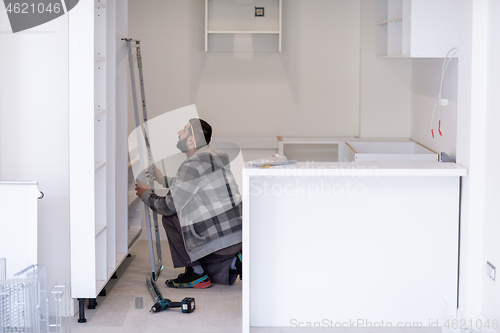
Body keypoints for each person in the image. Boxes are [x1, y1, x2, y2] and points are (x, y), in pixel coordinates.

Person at [135, 118, 242, 288]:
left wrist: (146, 195)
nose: (178, 132)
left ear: (191, 140)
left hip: (221, 244)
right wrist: (163, 179)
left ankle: (195, 274)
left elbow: (168, 206)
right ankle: (233, 263)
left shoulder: (192, 166)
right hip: (237, 238)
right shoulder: (217, 157)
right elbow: (194, 185)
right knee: (203, 256)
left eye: (183, 130)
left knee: (171, 218)